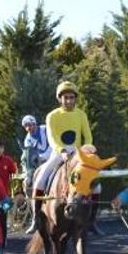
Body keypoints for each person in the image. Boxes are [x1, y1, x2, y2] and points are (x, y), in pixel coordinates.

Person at [27, 81, 102, 234]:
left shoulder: (81, 115)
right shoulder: (52, 116)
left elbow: (88, 136)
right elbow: (52, 137)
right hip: (58, 153)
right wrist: (61, 150)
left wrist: (87, 149)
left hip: (78, 154)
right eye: (65, 97)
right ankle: (36, 218)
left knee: (97, 186)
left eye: (71, 97)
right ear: (60, 99)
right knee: (40, 180)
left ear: (75, 98)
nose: (68, 101)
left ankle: (92, 221)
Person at [0, 139, 17, 254]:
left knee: (2, 220)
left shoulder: (8, 160)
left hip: (4, 196)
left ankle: (2, 245)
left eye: (1, 149)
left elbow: (14, 173)